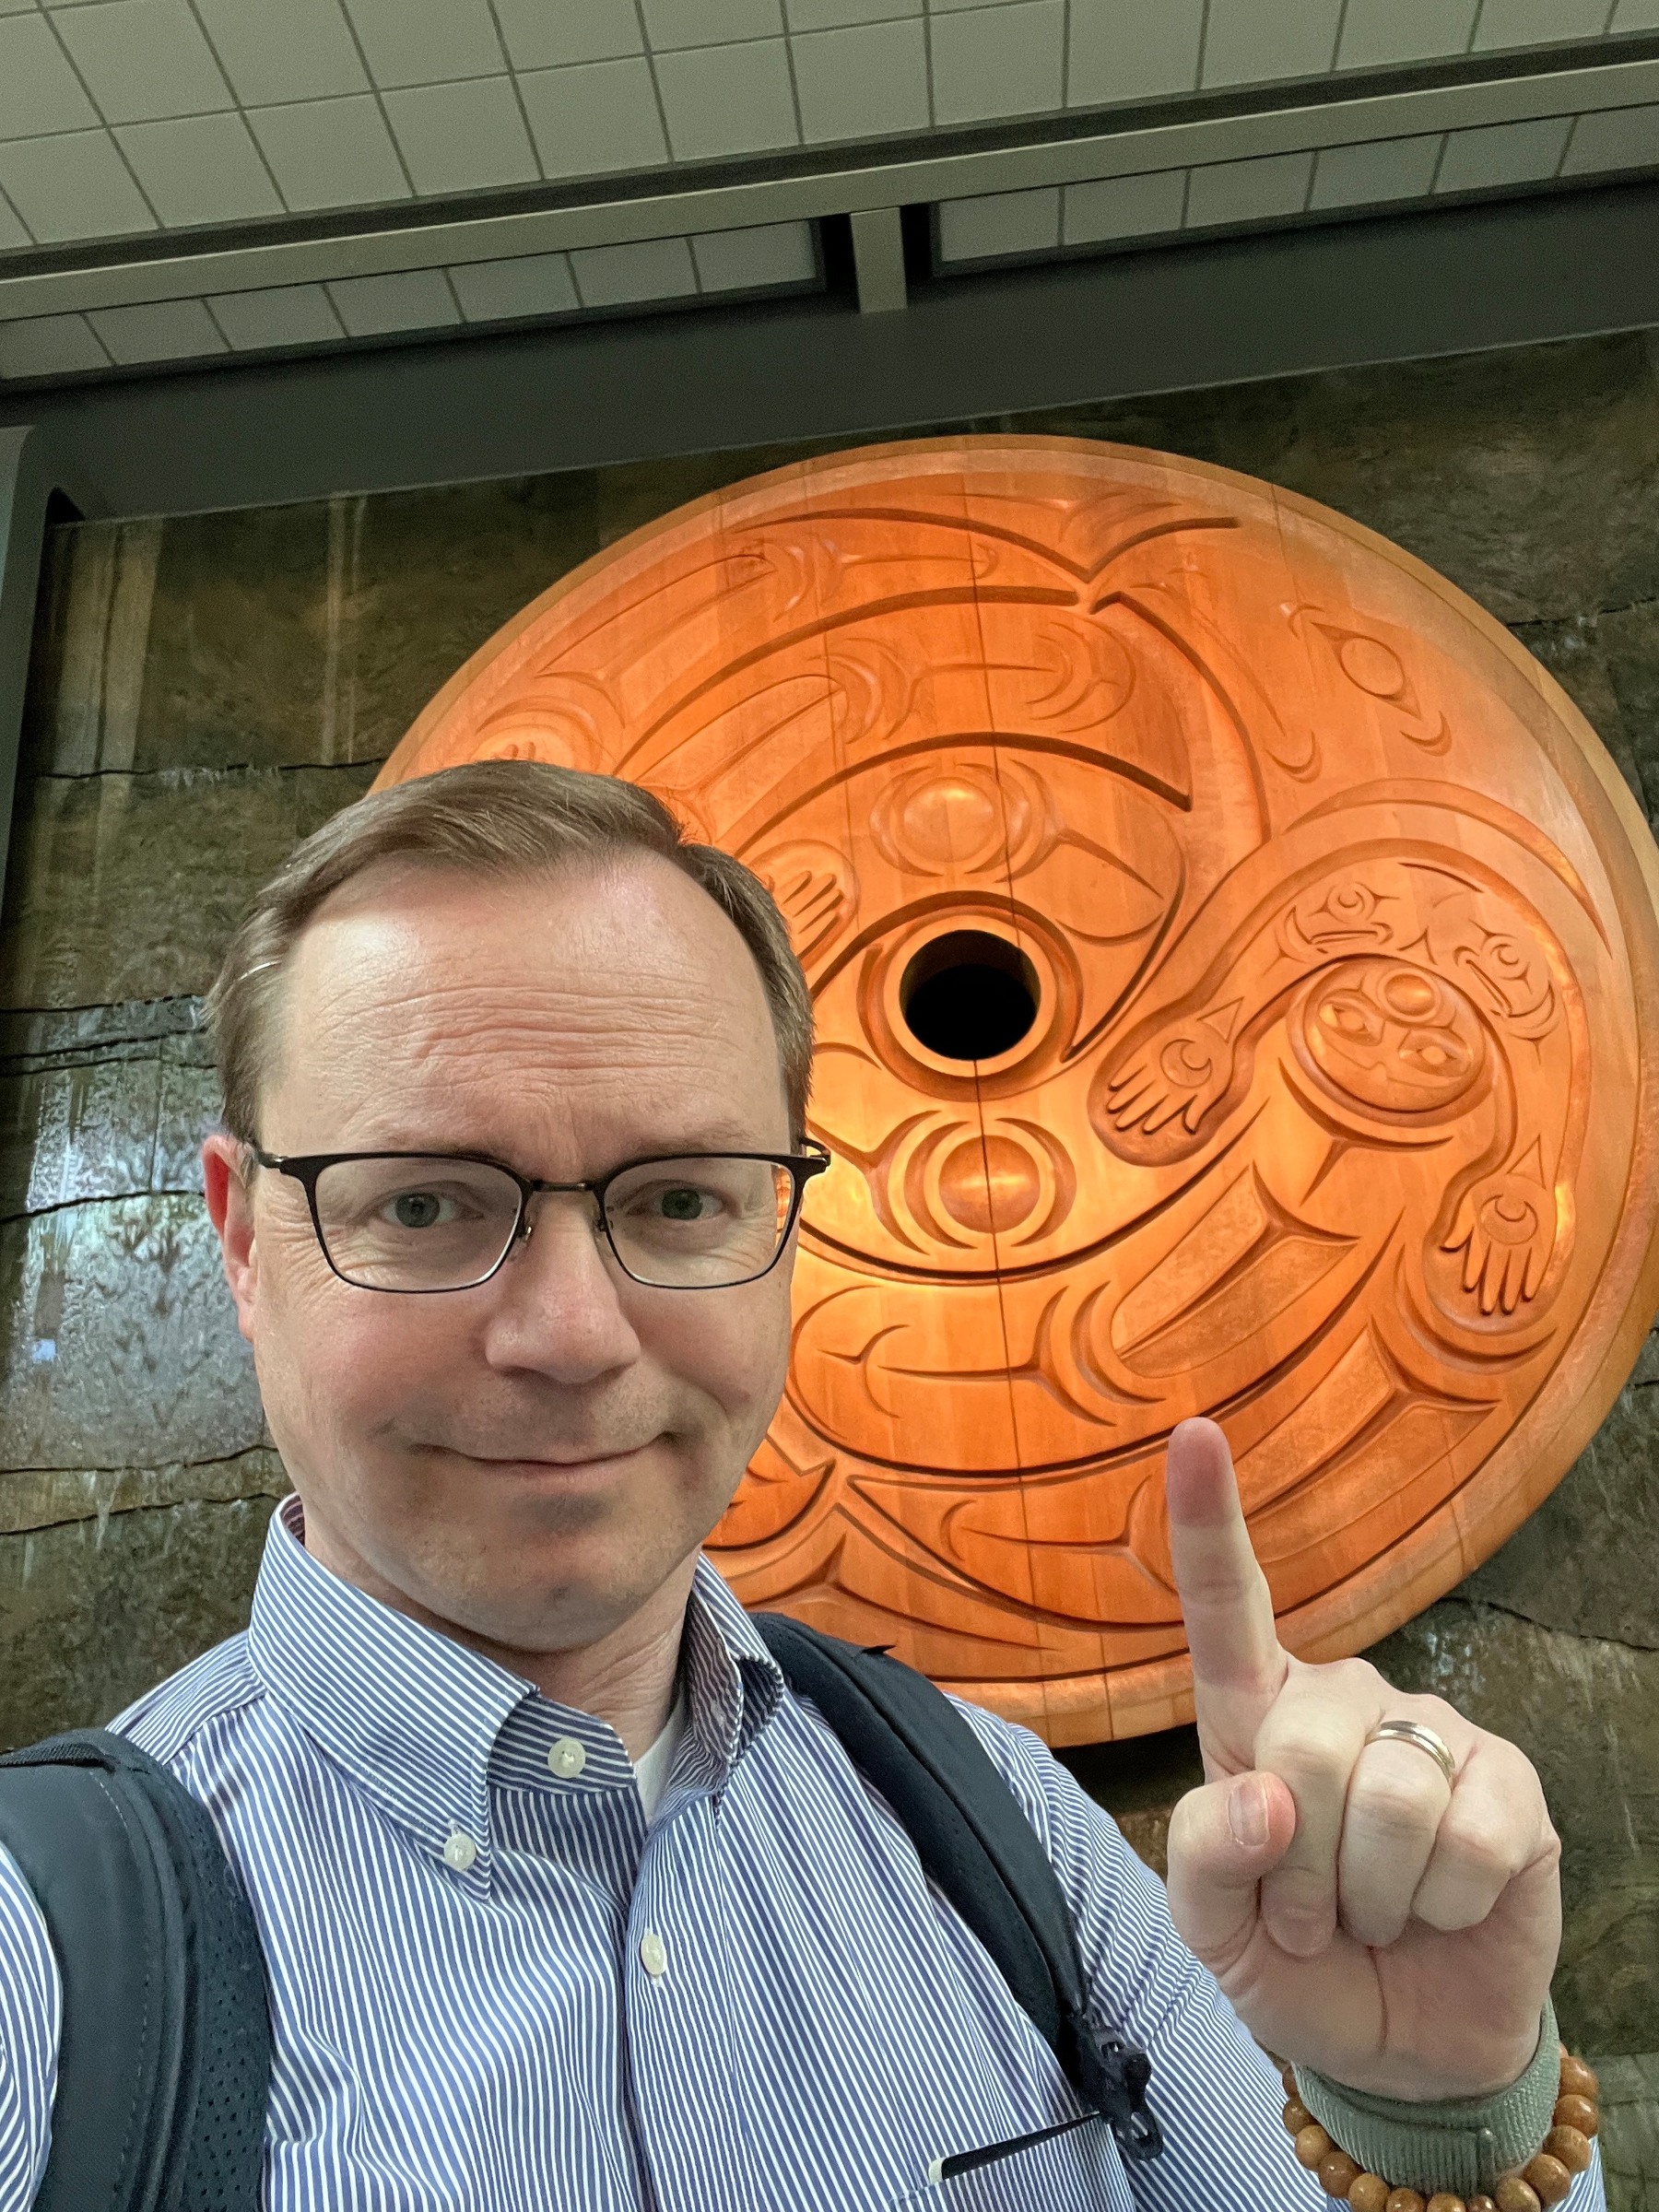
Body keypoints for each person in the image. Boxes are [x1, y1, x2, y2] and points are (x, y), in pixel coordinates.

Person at [0, 761, 1596, 2211]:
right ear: (235, 1236)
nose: (570, 1334)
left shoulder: (997, 1819)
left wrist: (1432, 2104)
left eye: (681, 1197)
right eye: (423, 1205)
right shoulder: (49, 1968)